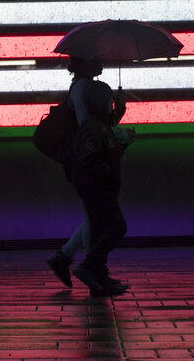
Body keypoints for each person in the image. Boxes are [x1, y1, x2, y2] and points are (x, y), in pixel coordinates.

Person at [46, 58, 128, 296]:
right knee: (95, 220)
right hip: (86, 163)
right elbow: (88, 127)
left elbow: (94, 125)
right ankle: (94, 271)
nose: (102, 62)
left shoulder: (83, 86)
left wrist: (115, 115)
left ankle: (69, 259)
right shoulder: (84, 88)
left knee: (94, 217)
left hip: (84, 161)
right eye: (96, 57)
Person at [68, 79, 132, 297]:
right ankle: (89, 268)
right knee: (116, 227)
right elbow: (93, 160)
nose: (111, 103)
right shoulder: (95, 128)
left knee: (102, 230)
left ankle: (99, 276)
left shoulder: (97, 124)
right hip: (98, 188)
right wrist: (110, 173)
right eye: (109, 100)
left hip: (96, 187)